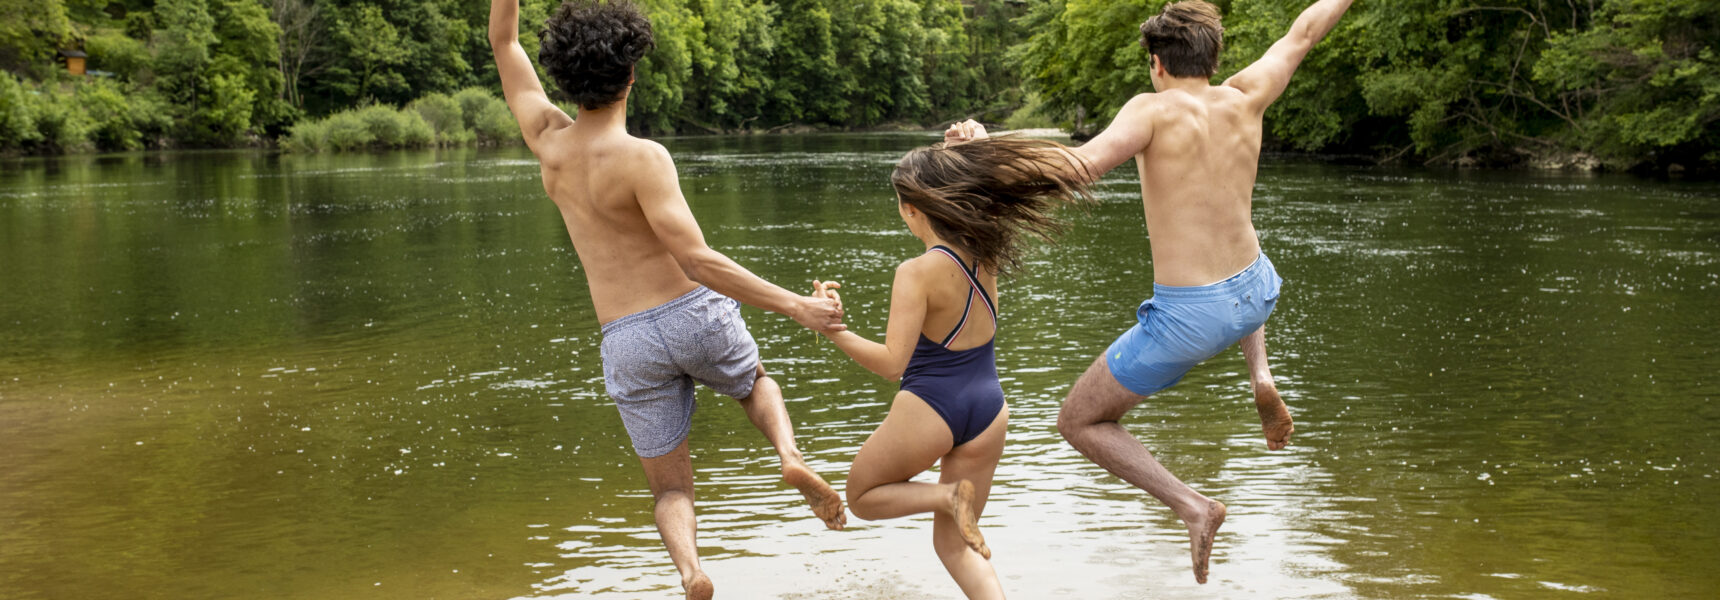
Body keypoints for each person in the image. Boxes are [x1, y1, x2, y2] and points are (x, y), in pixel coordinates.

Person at [948, 0, 1352, 584]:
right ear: (1213, 55)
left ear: (1157, 63)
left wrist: (982, 152)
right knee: (1238, 245)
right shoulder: (1246, 95)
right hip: (1259, 289)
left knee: (1079, 421)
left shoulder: (1153, 111)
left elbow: (1079, 167)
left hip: (1195, 316)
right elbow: (1305, 30)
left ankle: (1194, 506)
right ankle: (1260, 375)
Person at [487, 1, 848, 598]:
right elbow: (698, 261)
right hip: (690, 313)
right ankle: (787, 454)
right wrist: (796, 305)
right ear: (631, 75)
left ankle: (692, 571)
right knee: (755, 385)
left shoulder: (548, 145)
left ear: (565, 77)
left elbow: (505, 43)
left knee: (672, 490)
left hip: (626, 339)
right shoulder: (642, 158)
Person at [810, 137, 1093, 600]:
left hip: (932, 405)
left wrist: (832, 328)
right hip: (989, 411)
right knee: (954, 544)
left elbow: (890, 364)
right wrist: (974, 147)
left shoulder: (917, 271)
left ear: (912, 210)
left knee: (861, 495)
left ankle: (945, 496)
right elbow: (996, 190)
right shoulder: (989, 248)